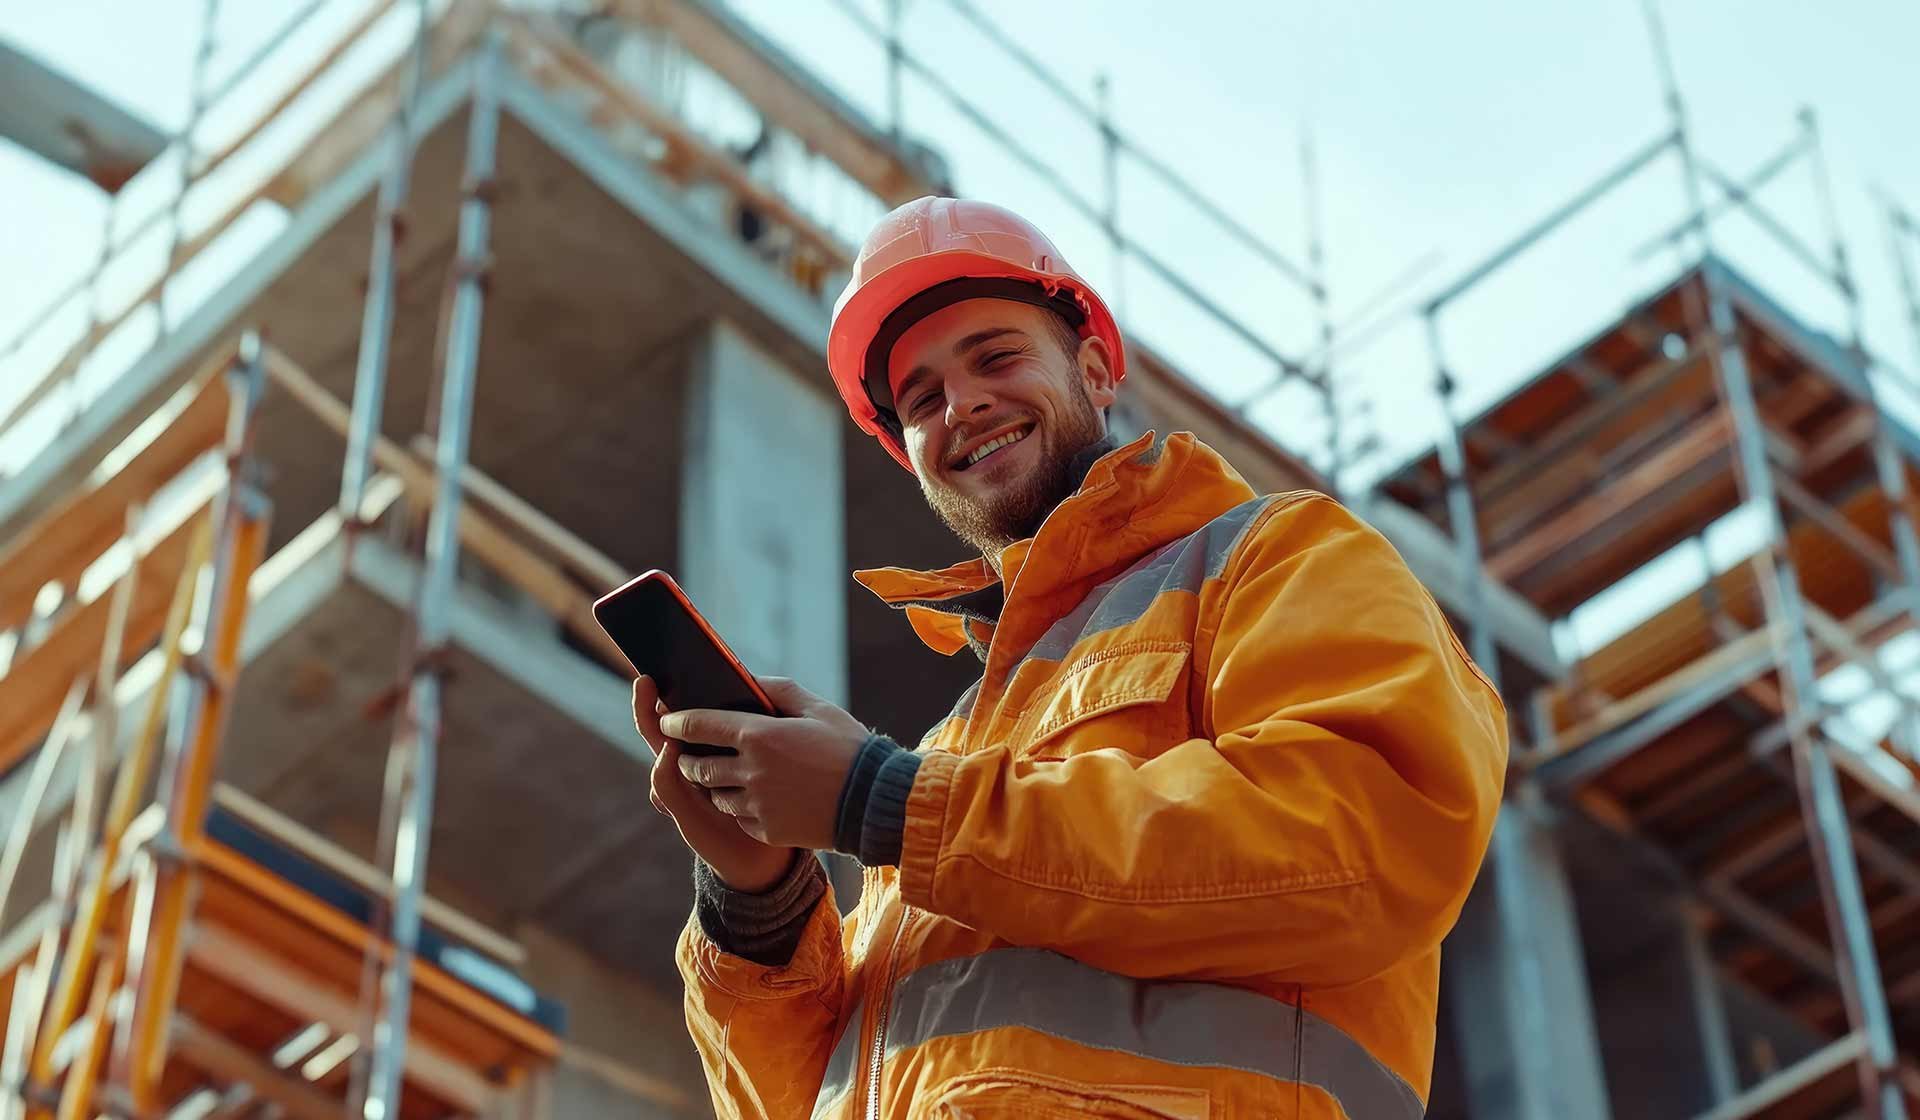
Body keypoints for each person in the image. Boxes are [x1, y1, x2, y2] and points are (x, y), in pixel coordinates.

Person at [632, 197, 1506, 1119]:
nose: (961, 404)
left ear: (1094, 370)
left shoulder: (1275, 558)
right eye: (922, 399)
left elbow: (1364, 845)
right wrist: (757, 899)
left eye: (996, 357)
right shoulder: (953, 751)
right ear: (911, 455)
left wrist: (878, 801)